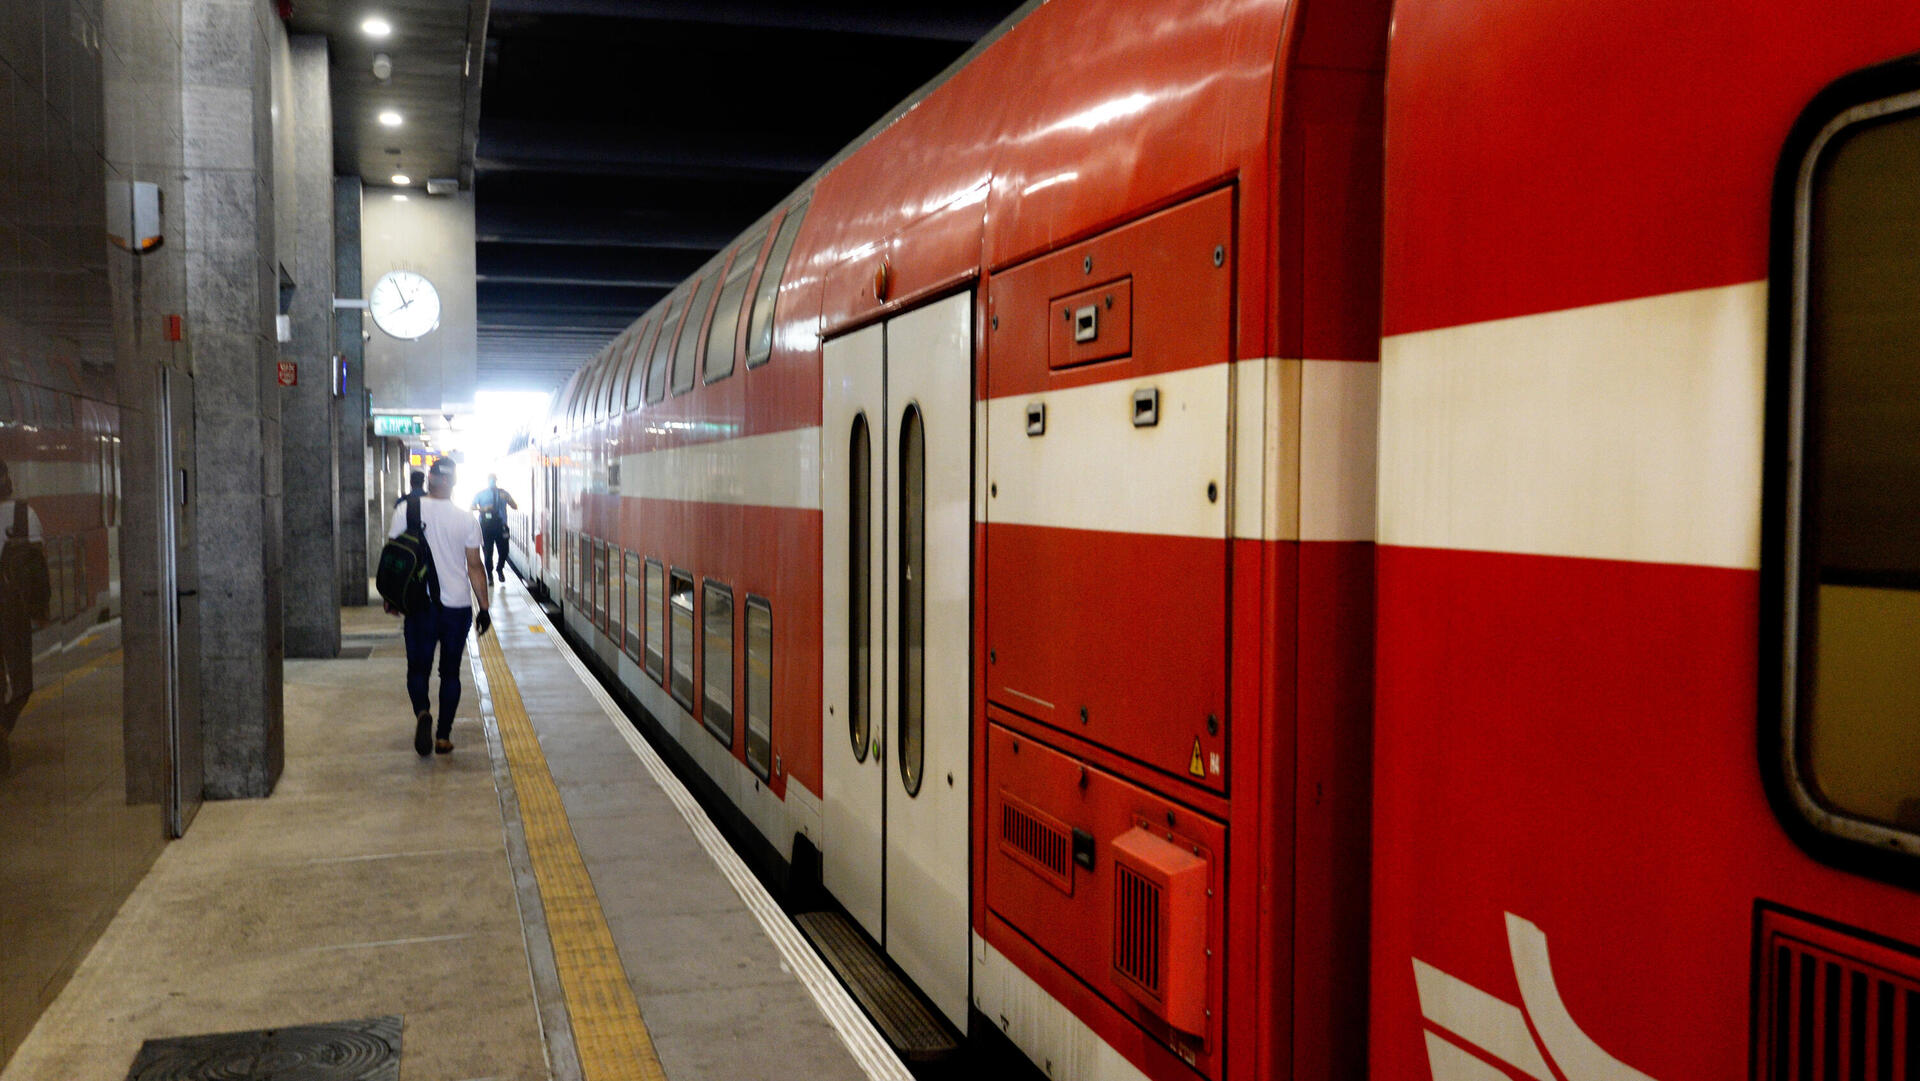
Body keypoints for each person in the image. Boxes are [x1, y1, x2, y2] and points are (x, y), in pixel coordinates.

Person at [387, 457, 491, 757]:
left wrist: (392, 598)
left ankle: (422, 711)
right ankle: (443, 736)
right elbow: (475, 567)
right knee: (451, 673)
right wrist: (483, 607)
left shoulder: (406, 511)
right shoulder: (466, 519)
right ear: (454, 483)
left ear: (429, 479)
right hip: (456, 607)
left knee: (417, 670)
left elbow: (394, 557)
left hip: (419, 605)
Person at [0, 459, 47, 772]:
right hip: (12, 611)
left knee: (19, 684)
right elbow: (38, 569)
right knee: (21, 683)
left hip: (12, 608)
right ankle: (2, 733)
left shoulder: (23, 514)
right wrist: (41, 608)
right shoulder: (24, 515)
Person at [470, 474, 519, 584]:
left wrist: (508, 499)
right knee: (488, 553)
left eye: (494, 480)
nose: (492, 481)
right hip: (486, 527)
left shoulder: (503, 493)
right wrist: (483, 508)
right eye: (490, 480)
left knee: (504, 551)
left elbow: (515, 506)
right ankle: (490, 575)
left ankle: (499, 568)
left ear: (496, 481)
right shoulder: (481, 494)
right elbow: (471, 507)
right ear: (488, 481)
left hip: (501, 526)